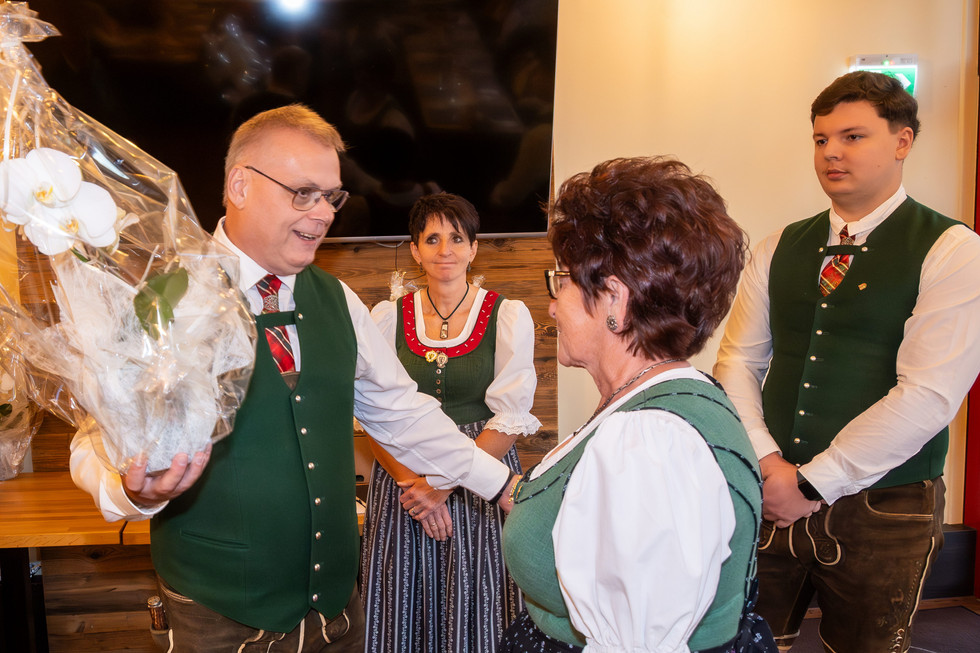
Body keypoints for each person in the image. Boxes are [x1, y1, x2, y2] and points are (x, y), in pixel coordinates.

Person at [69, 104, 517, 652]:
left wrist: (502, 486)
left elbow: (401, 413)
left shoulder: (338, 299)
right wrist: (129, 493)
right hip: (218, 619)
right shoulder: (165, 296)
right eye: (303, 193)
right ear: (239, 185)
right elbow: (91, 440)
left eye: (331, 196)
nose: (324, 213)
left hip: (338, 615)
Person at [713, 71, 980, 652]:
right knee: (739, 643)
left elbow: (929, 394)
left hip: (886, 508)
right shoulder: (778, 245)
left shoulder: (953, 249)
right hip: (770, 492)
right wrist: (768, 463)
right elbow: (736, 363)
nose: (831, 152)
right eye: (820, 139)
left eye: (852, 137)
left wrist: (813, 482)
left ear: (903, 142)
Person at [500, 156, 764, 652]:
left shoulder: (651, 441)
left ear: (615, 301)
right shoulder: (662, 399)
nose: (552, 304)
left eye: (561, 280)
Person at [360, 192, 539, 652]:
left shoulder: (507, 314)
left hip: (482, 471)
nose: (446, 250)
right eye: (432, 239)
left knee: (477, 602)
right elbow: (374, 414)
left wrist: (443, 485)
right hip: (403, 480)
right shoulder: (386, 317)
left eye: (457, 238)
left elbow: (510, 416)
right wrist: (415, 486)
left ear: (474, 248)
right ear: (415, 250)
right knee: (404, 601)